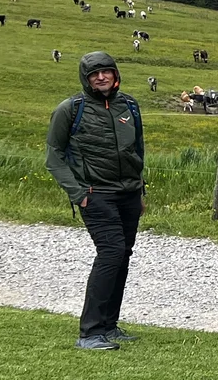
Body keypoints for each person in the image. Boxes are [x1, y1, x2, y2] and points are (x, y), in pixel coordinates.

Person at [44, 51, 146, 351]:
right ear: (86, 78)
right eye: (94, 74)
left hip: (128, 193)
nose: (101, 77)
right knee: (111, 252)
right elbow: (53, 157)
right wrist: (79, 195)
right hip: (94, 193)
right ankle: (89, 333)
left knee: (122, 255)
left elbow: (137, 150)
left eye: (106, 72)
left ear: (115, 74)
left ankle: (109, 326)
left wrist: (140, 191)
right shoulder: (70, 109)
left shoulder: (130, 106)